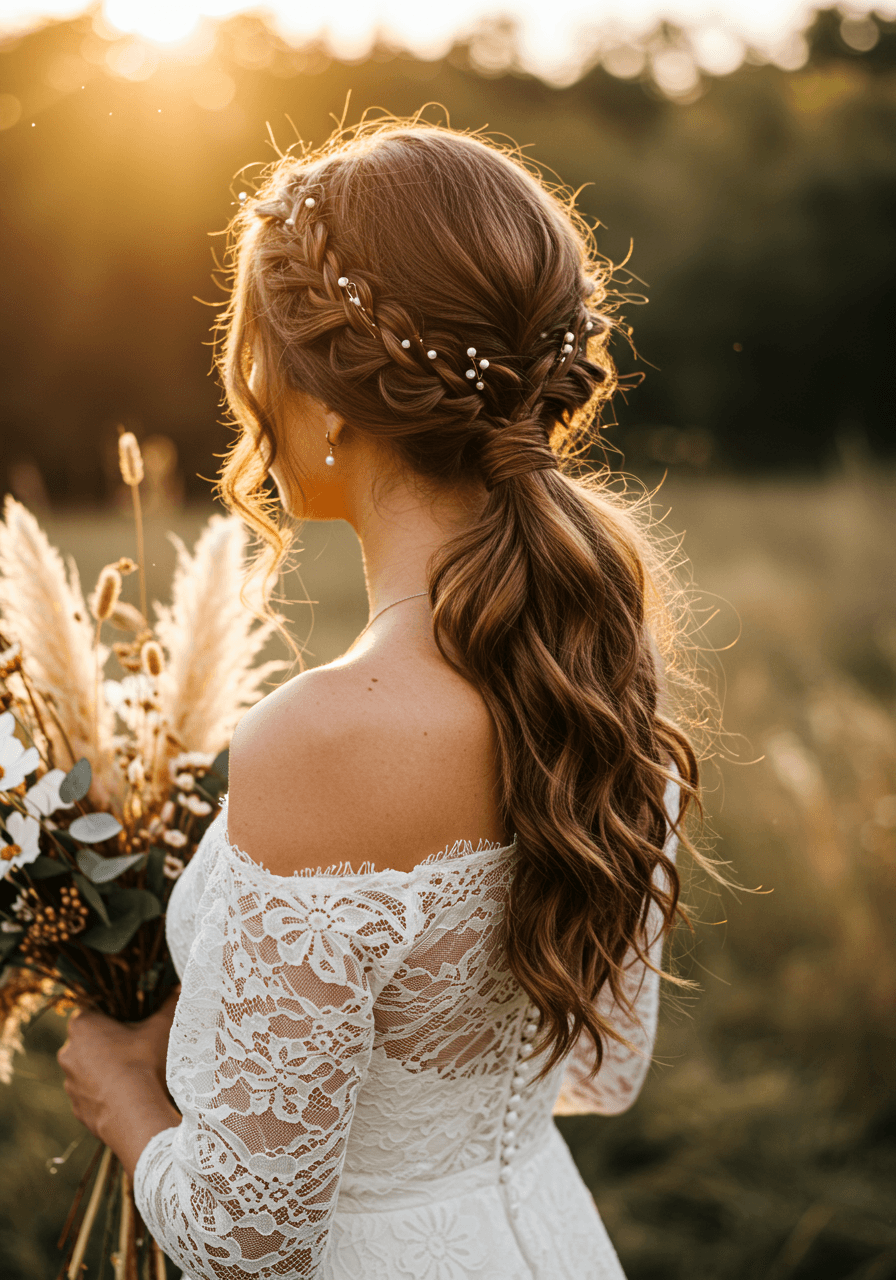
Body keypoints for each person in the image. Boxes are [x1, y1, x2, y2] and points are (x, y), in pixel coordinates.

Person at [58, 118, 709, 1279]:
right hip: (549, 1239)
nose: (248, 380)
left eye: (256, 344)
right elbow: (597, 1068)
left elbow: (249, 1238)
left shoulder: (327, 735)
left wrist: (119, 1093)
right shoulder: (603, 651)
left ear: (331, 404)